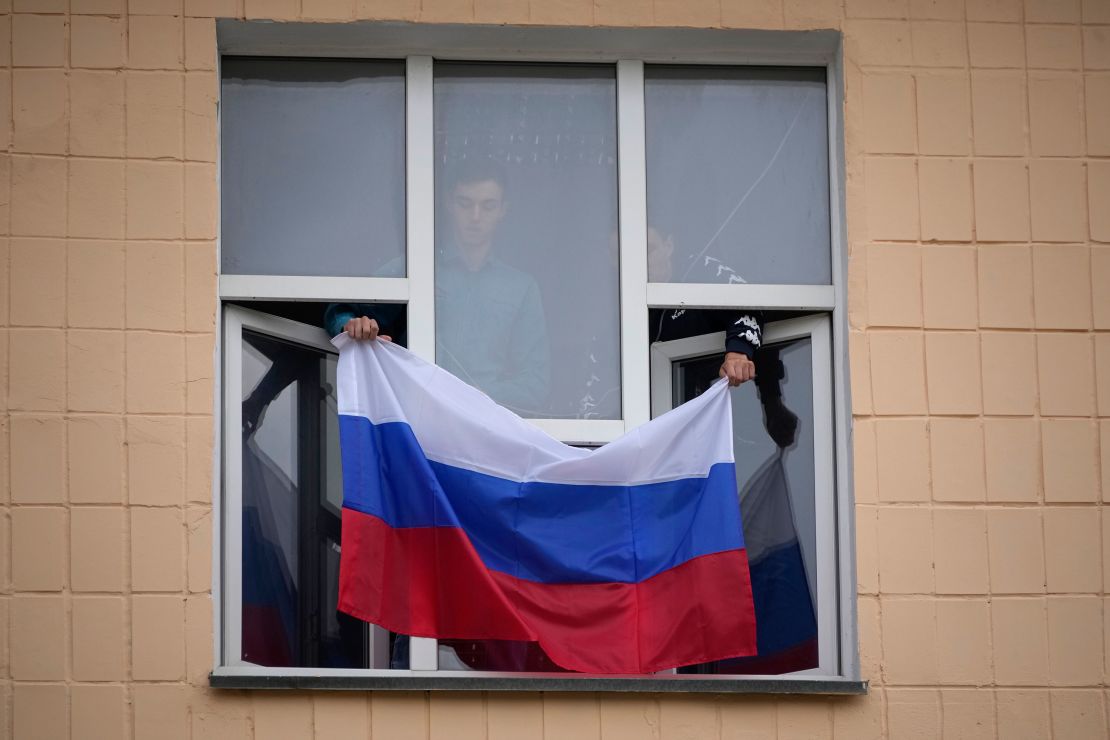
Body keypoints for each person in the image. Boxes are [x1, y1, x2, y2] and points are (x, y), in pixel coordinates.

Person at [325, 159, 551, 415]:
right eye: (465, 203)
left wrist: (478, 393)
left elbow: (536, 385)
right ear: (448, 203)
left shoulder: (520, 288)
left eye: (488, 206)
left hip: (487, 427)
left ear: (503, 210)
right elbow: (340, 310)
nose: (475, 217)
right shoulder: (414, 270)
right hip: (416, 420)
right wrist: (352, 326)